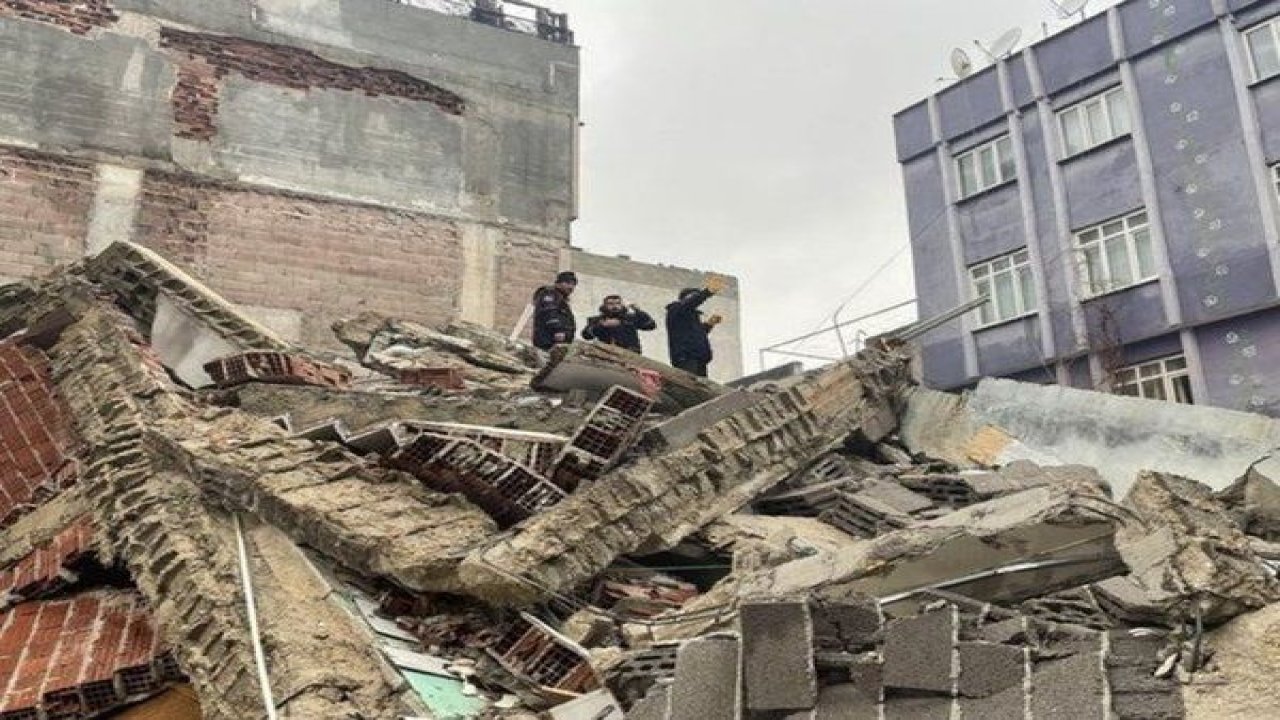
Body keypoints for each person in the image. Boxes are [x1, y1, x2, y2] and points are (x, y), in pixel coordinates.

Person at [665, 275, 728, 377]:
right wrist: (707, 292)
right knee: (689, 386)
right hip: (685, 358)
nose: (697, 300)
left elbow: (696, 333)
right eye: (694, 297)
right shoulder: (676, 309)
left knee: (701, 389)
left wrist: (709, 324)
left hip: (699, 359)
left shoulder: (691, 317)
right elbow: (689, 303)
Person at [581, 295, 657, 353]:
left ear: (622, 305)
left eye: (617, 303)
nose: (615, 306)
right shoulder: (596, 320)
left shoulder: (630, 318)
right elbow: (586, 335)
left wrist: (639, 311)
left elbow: (651, 325)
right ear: (604, 306)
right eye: (610, 304)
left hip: (630, 354)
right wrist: (601, 326)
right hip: (605, 354)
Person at [531, 271, 578, 350]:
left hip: (558, 342)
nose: (571, 287)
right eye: (567, 283)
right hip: (549, 342)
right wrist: (558, 330)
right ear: (558, 283)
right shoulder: (550, 295)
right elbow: (549, 313)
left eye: (573, 284)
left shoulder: (561, 299)